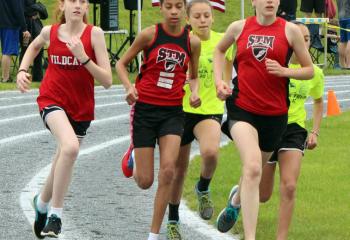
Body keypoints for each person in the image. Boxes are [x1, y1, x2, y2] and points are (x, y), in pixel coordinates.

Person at [213, 0, 314, 239]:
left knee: (257, 181)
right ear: (253, 2)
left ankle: (237, 200)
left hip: (275, 114)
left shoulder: (289, 30)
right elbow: (219, 50)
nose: (270, 1)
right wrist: (220, 81)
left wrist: (285, 71)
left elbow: (309, 69)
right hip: (242, 108)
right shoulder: (239, 28)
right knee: (253, 166)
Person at [16, 0, 112, 238]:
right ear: (62, 5)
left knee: (63, 157)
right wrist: (22, 70)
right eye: (72, 1)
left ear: (87, 7)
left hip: (81, 108)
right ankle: (55, 216)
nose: (77, 5)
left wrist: (84, 58)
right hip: (51, 100)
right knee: (69, 148)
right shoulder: (51, 32)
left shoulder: (95, 34)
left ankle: (41, 202)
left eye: (82, 1)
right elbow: (34, 46)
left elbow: (108, 80)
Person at [116, 0, 201, 239]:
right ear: (161, 8)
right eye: (169, 6)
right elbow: (121, 64)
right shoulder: (149, 35)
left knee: (168, 172)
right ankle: (133, 152)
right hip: (145, 110)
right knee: (144, 181)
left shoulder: (192, 42)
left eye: (178, 6)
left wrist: (194, 92)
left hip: (173, 113)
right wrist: (128, 88)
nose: (174, 12)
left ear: (185, 9)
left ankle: (153, 235)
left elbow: (193, 77)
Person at [165, 1, 233, 239]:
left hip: (209, 109)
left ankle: (203, 187)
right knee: (177, 169)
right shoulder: (181, 41)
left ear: (213, 18)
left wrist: (224, 87)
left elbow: (227, 74)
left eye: (206, 15)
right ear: (188, 20)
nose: (203, 19)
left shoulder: (222, 42)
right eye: (197, 16)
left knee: (211, 152)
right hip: (180, 110)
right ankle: (173, 219)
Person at [259, 20, 324, 240]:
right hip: (269, 126)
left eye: (307, 39)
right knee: (263, 195)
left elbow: (317, 102)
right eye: (300, 39)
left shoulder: (314, 72)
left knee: (289, 186)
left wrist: (315, 132)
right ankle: (239, 196)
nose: (303, 43)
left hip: (294, 130)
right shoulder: (276, 63)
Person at [0, 0, 30, 82]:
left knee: (5, 51)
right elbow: (18, 10)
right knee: (7, 52)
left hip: (2, 22)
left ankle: (5, 77)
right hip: (10, 24)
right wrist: (24, 28)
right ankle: (5, 78)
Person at [19, 0, 48, 82]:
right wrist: (35, 10)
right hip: (26, 27)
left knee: (39, 50)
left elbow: (44, 14)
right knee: (25, 50)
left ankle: (38, 77)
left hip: (36, 27)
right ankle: (23, 76)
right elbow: (23, 11)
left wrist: (36, 11)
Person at [337, 0, 350, 68]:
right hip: (348, 16)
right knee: (348, 41)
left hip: (341, 18)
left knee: (343, 41)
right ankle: (349, 64)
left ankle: (342, 64)